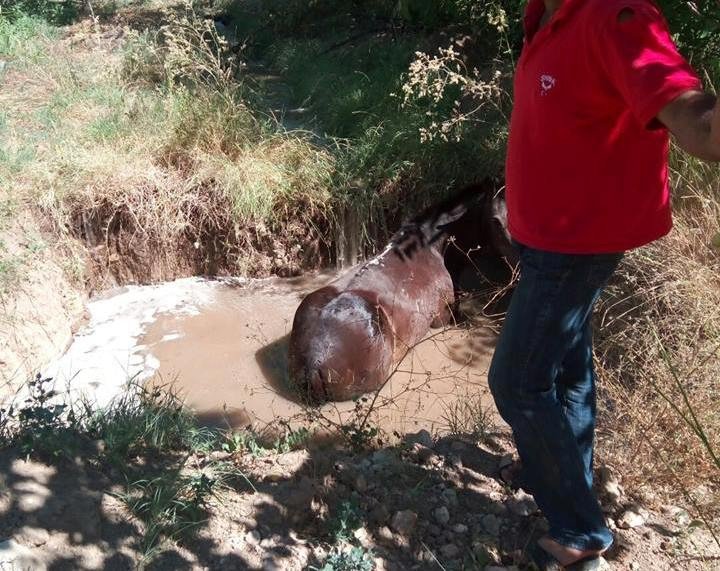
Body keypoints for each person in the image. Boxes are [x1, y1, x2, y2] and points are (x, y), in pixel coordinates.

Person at [487, 0, 720, 568]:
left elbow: (699, 125)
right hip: (545, 236)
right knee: (568, 363)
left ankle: (579, 533)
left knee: (516, 383)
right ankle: (565, 470)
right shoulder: (545, 14)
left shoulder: (618, 17)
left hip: (574, 246)